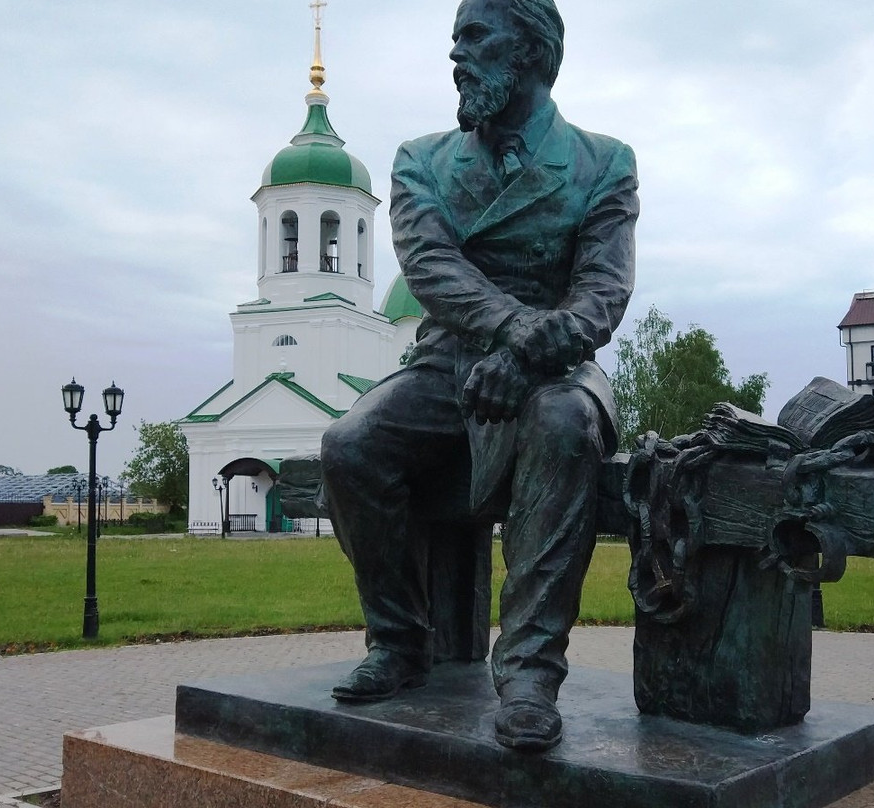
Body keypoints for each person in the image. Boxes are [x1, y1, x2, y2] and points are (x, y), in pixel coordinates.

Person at [320, 0, 638, 752]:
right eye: (454, 38)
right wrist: (514, 330)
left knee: (562, 425)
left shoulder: (602, 162)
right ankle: (399, 642)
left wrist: (529, 355)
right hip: (447, 364)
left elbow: (602, 290)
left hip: (559, 368)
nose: (455, 55)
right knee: (350, 446)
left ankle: (529, 672)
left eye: (473, 35)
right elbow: (431, 266)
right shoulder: (422, 160)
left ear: (527, 49)